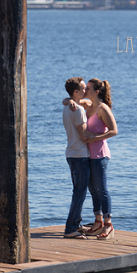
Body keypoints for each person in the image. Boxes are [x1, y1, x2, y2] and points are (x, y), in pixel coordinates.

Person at [65, 78, 118, 240]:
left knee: (101, 189)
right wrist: (69, 102)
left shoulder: (103, 109)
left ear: (96, 91)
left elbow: (114, 131)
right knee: (93, 190)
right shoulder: (87, 105)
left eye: (88, 88)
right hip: (87, 155)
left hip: (100, 155)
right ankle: (97, 221)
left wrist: (95, 138)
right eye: (84, 88)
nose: (85, 90)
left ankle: (108, 224)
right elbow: (68, 98)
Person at [62, 76, 90, 239]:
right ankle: (70, 228)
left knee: (78, 191)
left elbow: (66, 101)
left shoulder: (69, 107)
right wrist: (105, 134)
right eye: (83, 88)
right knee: (79, 192)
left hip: (72, 153)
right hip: (79, 154)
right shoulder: (77, 110)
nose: (86, 90)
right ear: (76, 92)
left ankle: (76, 223)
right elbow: (84, 135)